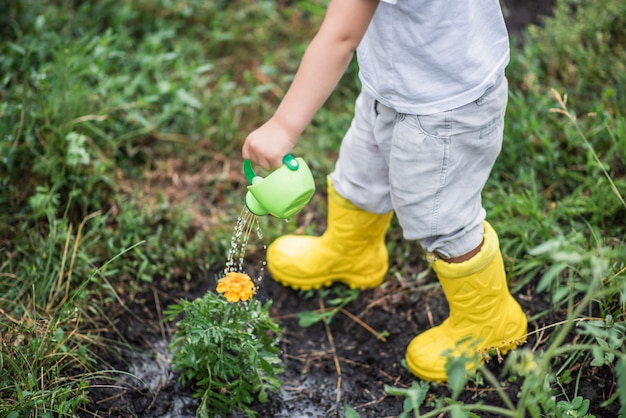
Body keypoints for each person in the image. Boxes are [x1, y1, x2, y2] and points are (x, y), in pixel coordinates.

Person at [242, 0, 527, 382]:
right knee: (361, 170)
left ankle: (489, 320)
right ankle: (352, 253)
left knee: (441, 218)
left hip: (445, 109)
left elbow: (340, 37)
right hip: (396, 84)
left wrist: (282, 126)